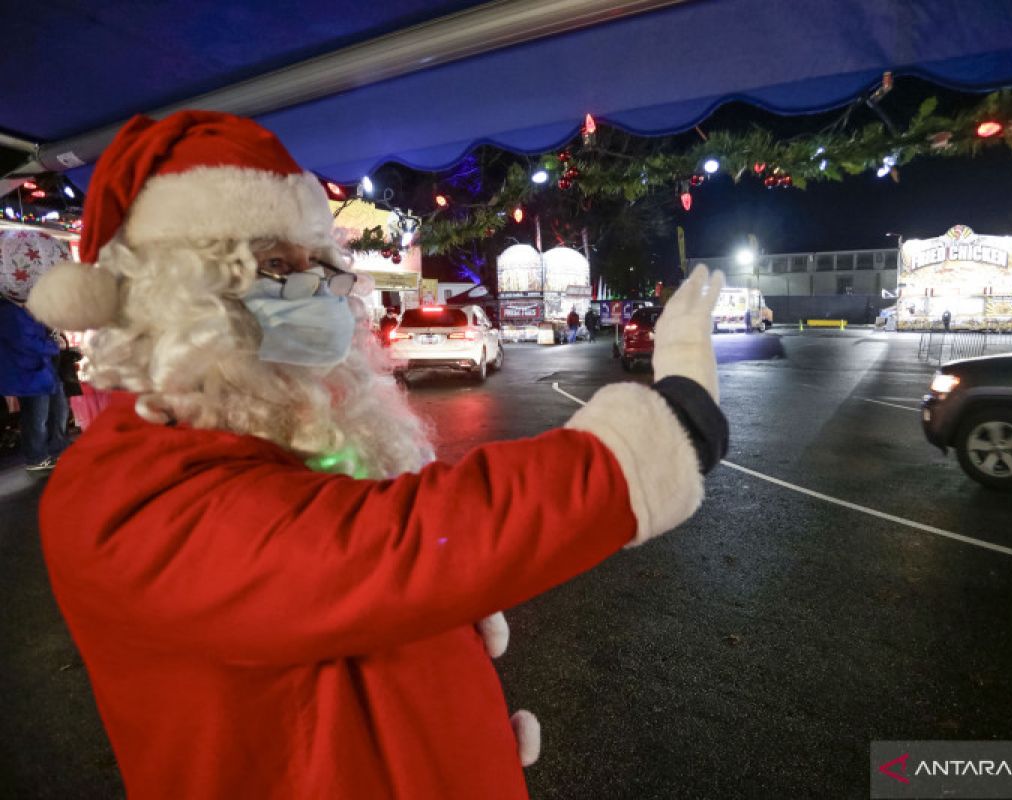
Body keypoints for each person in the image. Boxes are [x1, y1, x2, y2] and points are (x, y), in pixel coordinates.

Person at [27, 110, 728, 800]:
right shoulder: (121, 495)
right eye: (274, 265)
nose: (313, 290)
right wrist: (643, 446)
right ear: (172, 295)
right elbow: (387, 548)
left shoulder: (270, 436)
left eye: (320, 266)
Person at [0, 230, 72, 471]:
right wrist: (54, 345)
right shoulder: (8, 311)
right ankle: (36, 456)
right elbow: (25, 342)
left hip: (42, 370)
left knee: (57, 409)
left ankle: (57, 448)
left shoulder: (24, 307)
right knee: (36, 418)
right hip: (29, 373)